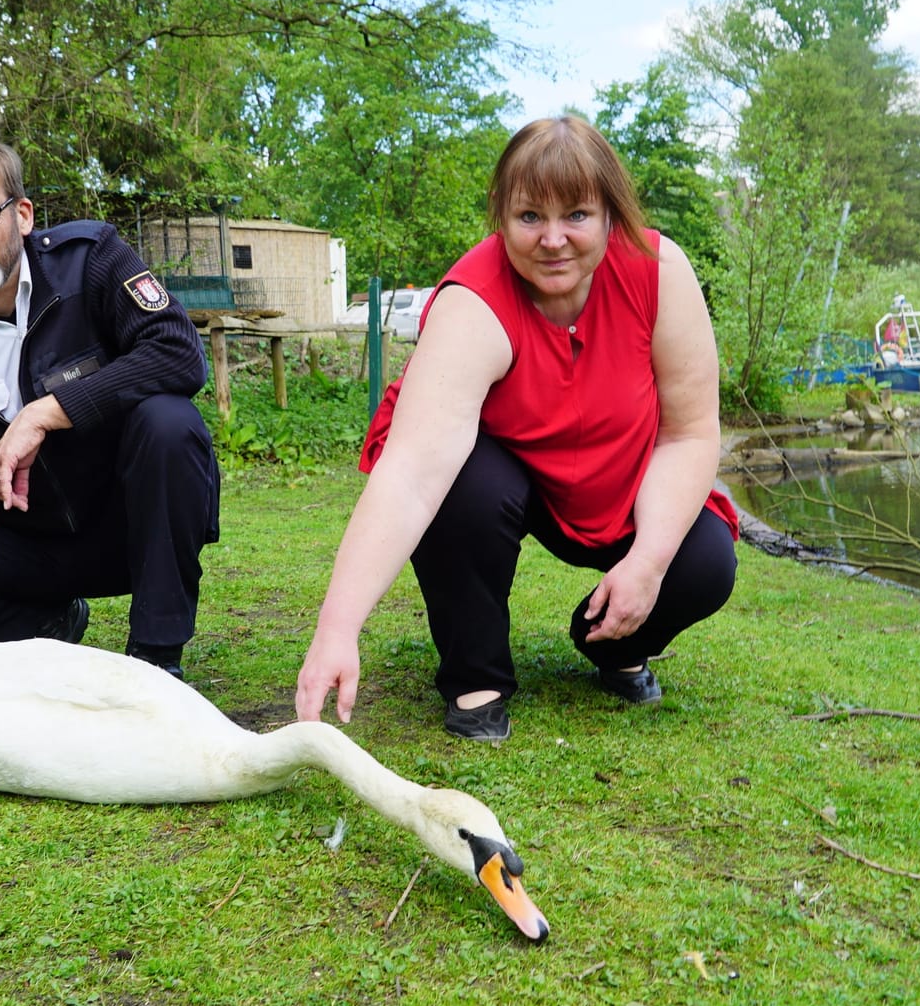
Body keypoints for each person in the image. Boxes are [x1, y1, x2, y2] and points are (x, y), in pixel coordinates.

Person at [294, 116, 738, 742]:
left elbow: (689, 434)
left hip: (624, 481)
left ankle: (611, 643)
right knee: (461, 485)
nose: (553, 240)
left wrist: (648, 561)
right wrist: (337, 628)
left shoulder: (660, 271)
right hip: (510, 481)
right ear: (501, 217)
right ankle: (477, 675)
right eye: (530, 217)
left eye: (577, 215)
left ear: (612, 216)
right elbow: (413, 476)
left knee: (706, 562)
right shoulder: (472, 301)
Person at [0, 135, 219, 699]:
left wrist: (45, 413)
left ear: (22, 215)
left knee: (169, 424)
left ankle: (155, 660)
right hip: (16, 537)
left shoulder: (91, 261)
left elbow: (177, 351)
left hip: (130, 524)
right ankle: (51, 624)